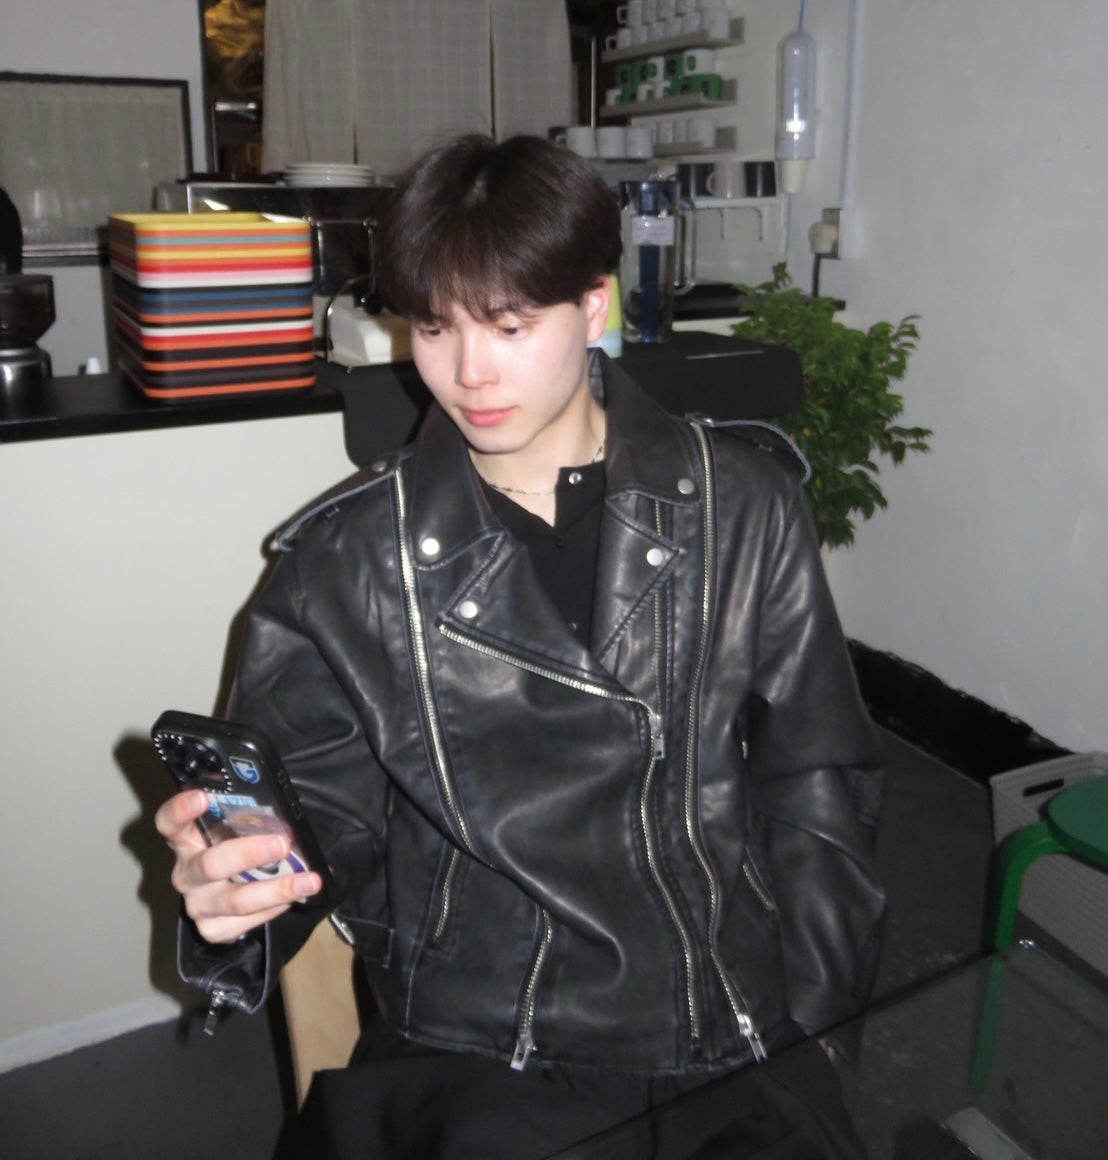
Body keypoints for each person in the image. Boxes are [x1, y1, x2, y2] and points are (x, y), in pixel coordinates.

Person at [155, 133, 885, 1158]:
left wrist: (815, 1023)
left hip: (725, 1019)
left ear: (593, 304)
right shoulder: (347, 561)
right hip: (485, 1036)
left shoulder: (742, 506)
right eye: (434, 326)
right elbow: (320, 816)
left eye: (509, 324)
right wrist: (241, 887)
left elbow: (817, 778)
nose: (467, 372)